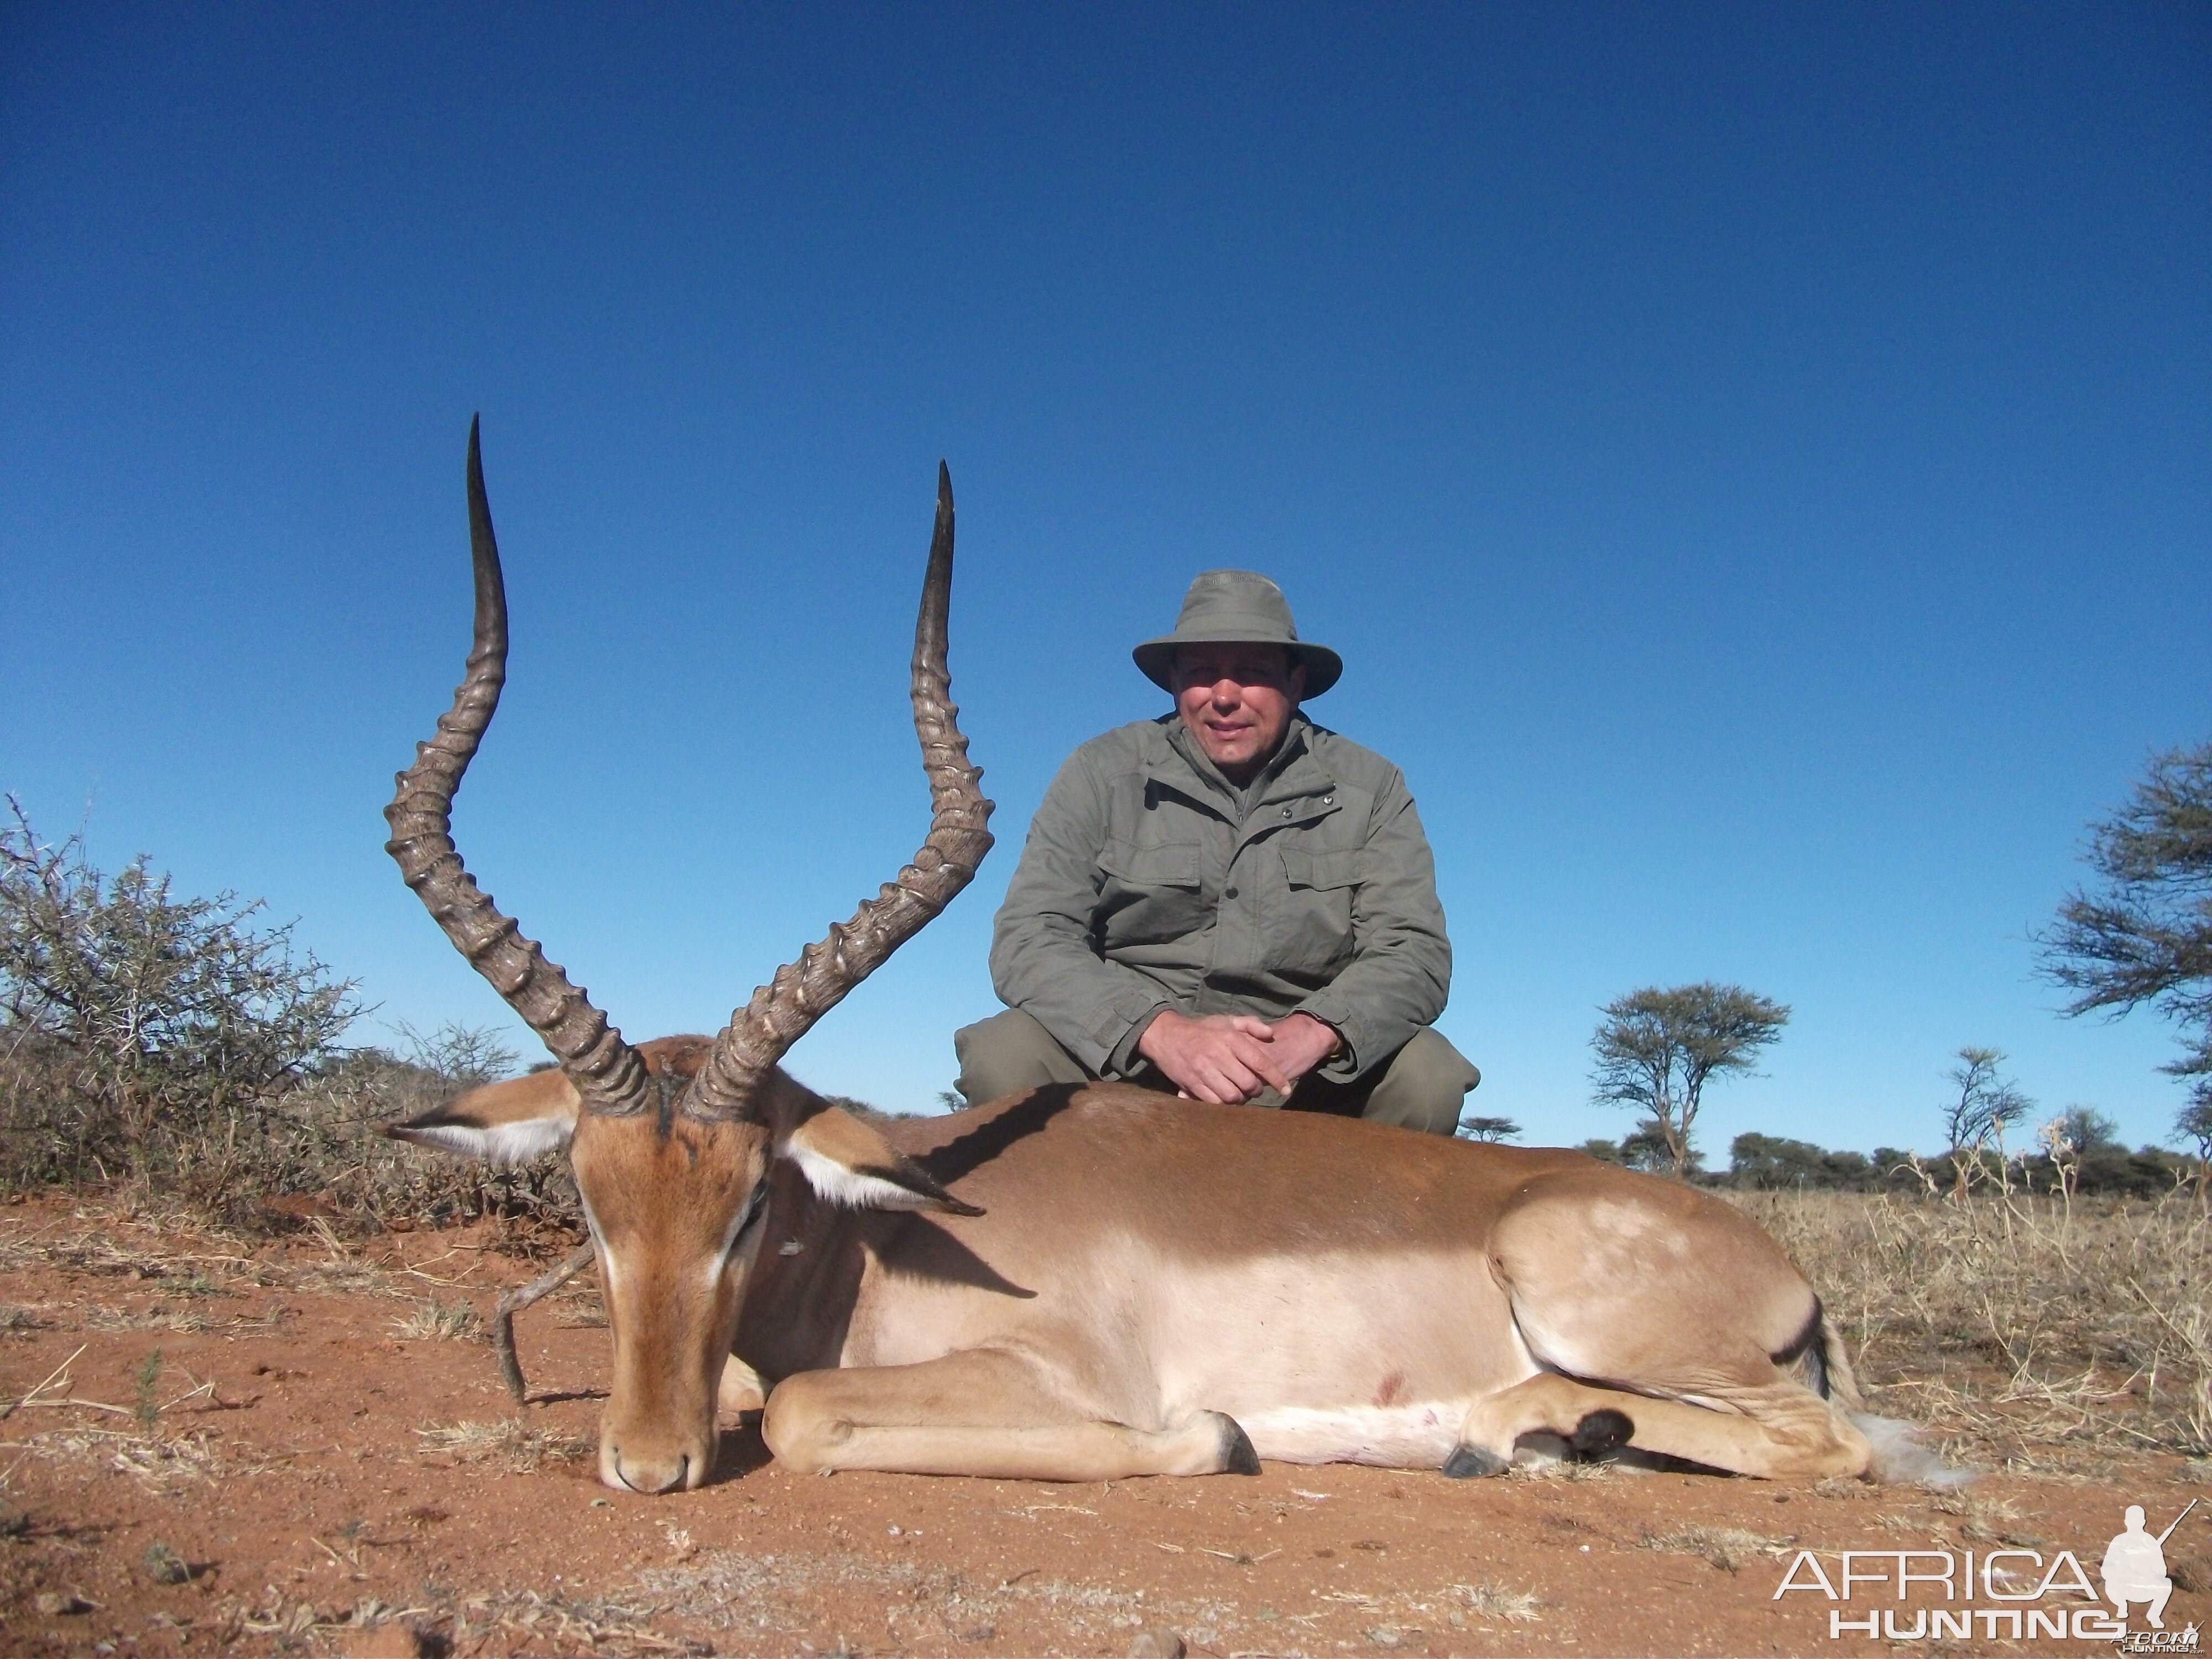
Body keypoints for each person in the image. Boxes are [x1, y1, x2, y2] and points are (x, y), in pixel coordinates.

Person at [955, 568, 1479, 1134]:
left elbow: (1413, 952)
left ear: (1295, 683)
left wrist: (1309, 1035)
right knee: (1002, 1055)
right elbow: (1031, 937)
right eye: (1202, 674)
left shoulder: (1372, 786)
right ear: (1176, 684)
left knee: (1429, 1076)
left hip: (1300, 1075)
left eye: (1252, 675)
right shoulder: (1100, 770)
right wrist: (1160, 1032)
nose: (1224, 697)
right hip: (1132, 1059)